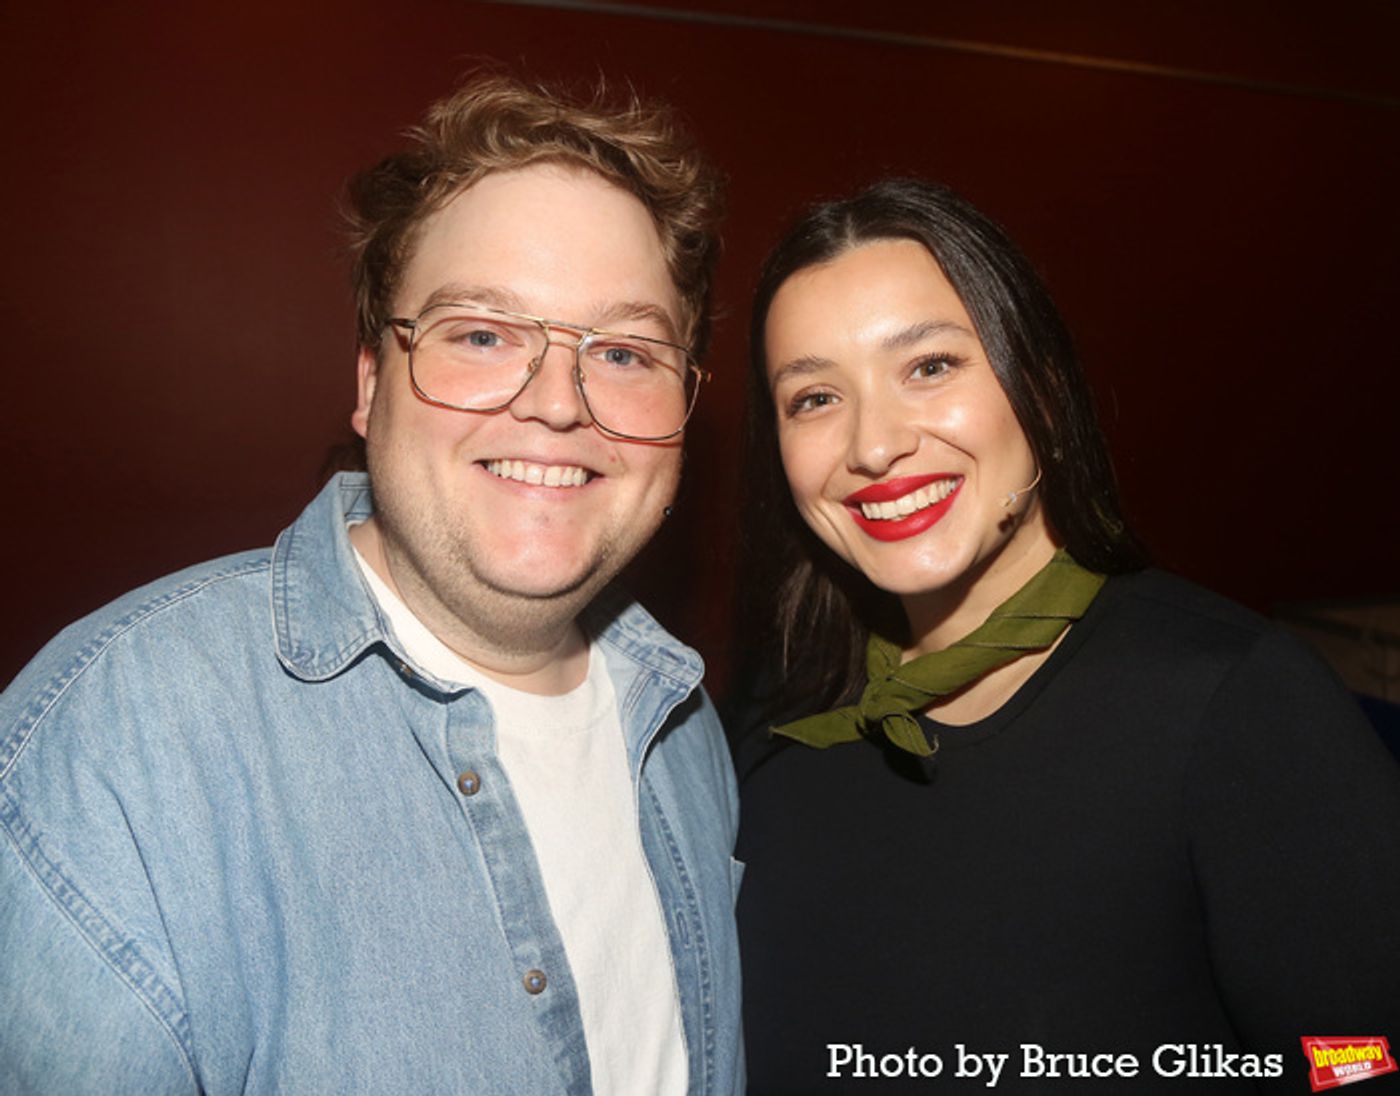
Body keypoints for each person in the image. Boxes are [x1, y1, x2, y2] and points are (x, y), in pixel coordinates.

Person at [0, 73, 743, 1095]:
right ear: (368, 383)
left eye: (622, 350)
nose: (559, 403)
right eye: (481, 333)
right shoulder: (126, 742)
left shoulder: (685, 730)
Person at [732, 178, 1400, 1093]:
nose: (873, 444)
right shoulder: (781, 725)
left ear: (1038, 383)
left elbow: (1364, 1060)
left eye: (929, 366)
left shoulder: (1227, 700)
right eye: (812, 397)